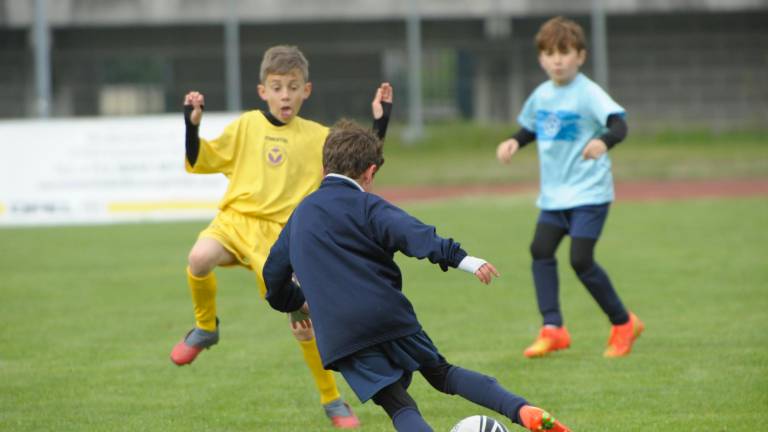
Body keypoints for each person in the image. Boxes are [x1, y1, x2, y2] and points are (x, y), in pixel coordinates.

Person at [263, 120, 571, 432]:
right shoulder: (368, 206)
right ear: (370, 172)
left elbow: (273, 276)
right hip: (387, 314)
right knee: (442, 374)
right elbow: (415, 235)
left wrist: (297, 302)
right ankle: (522, 411)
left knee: (400, 406)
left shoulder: (300, 215)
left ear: (322, 168)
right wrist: (463, 259)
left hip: (341, 334)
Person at [171, 45, 393, 429]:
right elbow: (199, 159)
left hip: (283, 238)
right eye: (277, 87)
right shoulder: (245, 127)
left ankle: (332, 400)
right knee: (198, 258)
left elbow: (358, 161)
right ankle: (206, 328)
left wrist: (381, 121)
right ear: (263, 92)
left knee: (303, 320)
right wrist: (192, 124)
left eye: (293, 87)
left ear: (306, 90)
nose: (285, 95)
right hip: (236, 222)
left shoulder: (318, 137)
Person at [495, 16, 643, 359]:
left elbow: (619, 125)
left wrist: (603, 143)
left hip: (590, 193)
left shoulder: (588, 92)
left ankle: (623, 323)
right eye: (549, 53)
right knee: (540, 250)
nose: (557, 60)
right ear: (541, 59)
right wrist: (514, 142)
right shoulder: (542, 95)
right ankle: (553, 329)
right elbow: (532, 128)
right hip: (555, 196)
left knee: (581, 259)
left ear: (581, 56)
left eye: (565, 52)